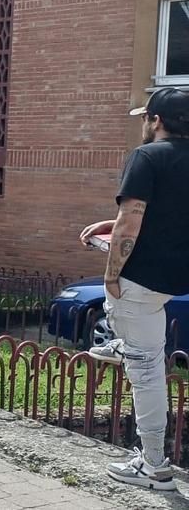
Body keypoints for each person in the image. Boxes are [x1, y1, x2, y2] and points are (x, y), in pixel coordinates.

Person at [80, 87, 189, 491]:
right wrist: (110, 225)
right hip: (175, 279)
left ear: (156, 120)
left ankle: (154, 466)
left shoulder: (145, 156)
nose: (142, 123)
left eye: (145, 117)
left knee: (145, 374)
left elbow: (132, 219)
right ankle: (125, 342)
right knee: (144, 345)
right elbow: (169, 212)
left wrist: (111, 274)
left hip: (141, 280)